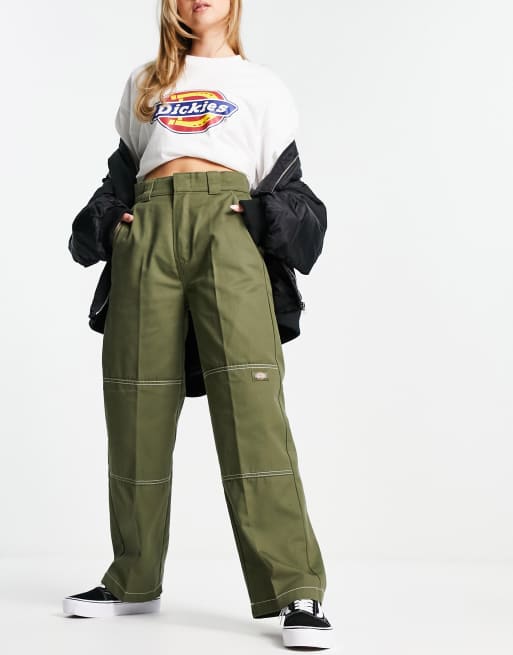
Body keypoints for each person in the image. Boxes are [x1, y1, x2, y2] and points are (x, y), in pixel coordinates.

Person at [62, 0, 334, 648]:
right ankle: (132, 580)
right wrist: (114, 225)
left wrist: (258, 218)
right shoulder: (145, 82)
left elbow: (292, 190)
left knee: (252, 408)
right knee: (135, 404)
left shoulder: (261, 86)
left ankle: (295, 588)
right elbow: (119, 177)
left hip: (228, 229)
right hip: (150, 231)